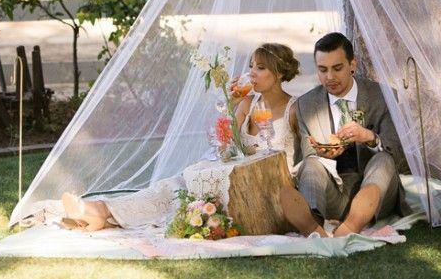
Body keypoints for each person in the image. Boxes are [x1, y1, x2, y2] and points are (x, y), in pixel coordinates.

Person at [62, 42, 301, 231]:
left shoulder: (295, 108)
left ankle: (103, 213)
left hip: (268, 188)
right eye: (251, 66)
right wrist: (232, 103)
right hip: (240, 177)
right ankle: (101, 210)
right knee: (176, 184)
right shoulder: (248, 102)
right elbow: (224, 141)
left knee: (190, 198)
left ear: (279, 73)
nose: (251, 73)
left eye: (260, 67)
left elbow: (302, 159)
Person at [281, 31, 408, 238]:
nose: (329, 77)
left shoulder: (383, 96)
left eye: (337, 68)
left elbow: (398, 152)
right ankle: (314, 224)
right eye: (323, 70)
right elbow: (306, 155)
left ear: (352, 65)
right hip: (334, 195)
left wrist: (370, 137)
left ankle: (353, 224)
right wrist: (322, 155)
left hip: (376, 195)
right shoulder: (305, 105)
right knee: (310, 164)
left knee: (384, 159)